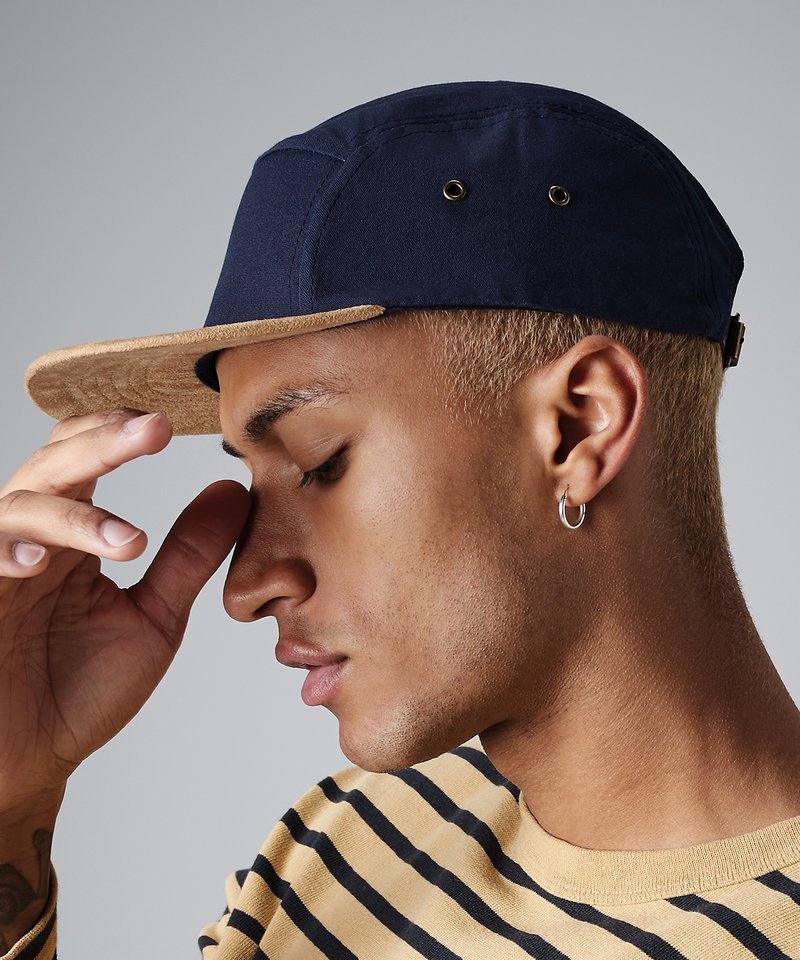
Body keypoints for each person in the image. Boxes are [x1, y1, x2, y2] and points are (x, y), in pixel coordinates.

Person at [2, 79, 798, 959]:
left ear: (581, 426)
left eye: (318, 463)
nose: (246, 586)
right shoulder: (345, 846)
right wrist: (11, 807)